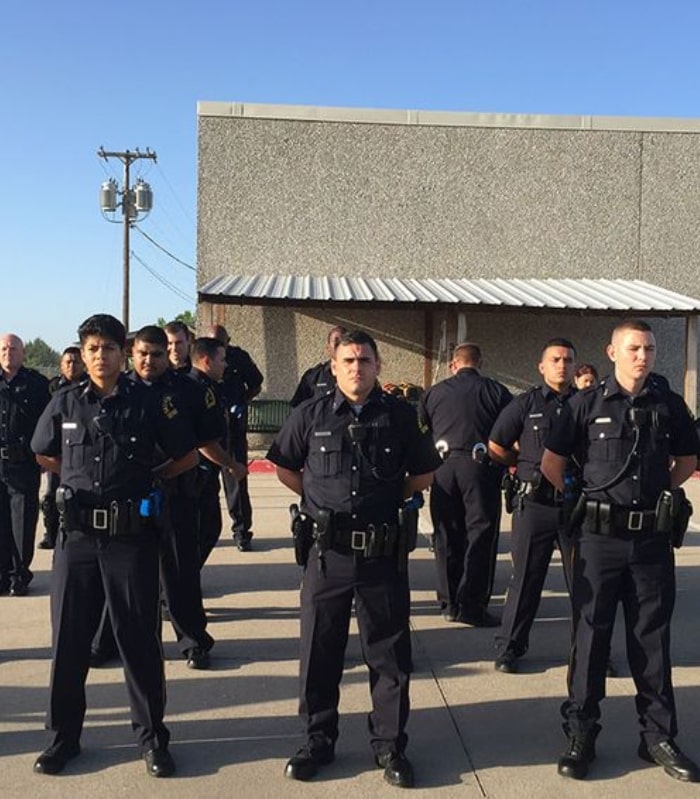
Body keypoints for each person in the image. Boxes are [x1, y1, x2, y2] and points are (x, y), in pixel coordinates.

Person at [267, 329, 441, 788]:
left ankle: (389, 746)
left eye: (364, 360)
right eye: (348, 361)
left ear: (378, 366)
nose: (356, 368)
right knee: (318, 652)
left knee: (388, 656)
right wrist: (315, 498)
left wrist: (388, 500)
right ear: (335, 366)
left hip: (381, 555)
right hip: (327, 556)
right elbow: (284, 463)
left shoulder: (402, 417)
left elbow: (423, 472)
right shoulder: (310, 414)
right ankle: (316, 741)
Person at [30, 314, 198, 778]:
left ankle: (152, 739)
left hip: (130, 540)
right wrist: (78, 481)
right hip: (78, 540)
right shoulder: (65, 403)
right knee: (69, 642)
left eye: (108, 348)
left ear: (122, 353)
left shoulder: (148, 403)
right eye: (92, 349)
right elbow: (41, 450)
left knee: (139, 640)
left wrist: (151, 479)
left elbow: (184, 455)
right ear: (82, 356)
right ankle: (63, 738)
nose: (100, 356)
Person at [541, 319, 700, 782]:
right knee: (591, 640)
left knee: (651, 639)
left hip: (650, 540)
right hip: (598, 540)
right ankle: (581, 734)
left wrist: (657, 496)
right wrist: (583, 496)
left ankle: (657, 737)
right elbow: (552, 462)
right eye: (633, 348)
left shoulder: (669, 404)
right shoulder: (584, 403)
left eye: (649, 349)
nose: (642, 356)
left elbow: (688, 460)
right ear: (613, 352)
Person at [488, 338, 577, 673]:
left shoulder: (587, 404)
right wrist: (524, 465)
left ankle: (588, 650)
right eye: (555, 359)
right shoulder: (525, 404)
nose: (562, 365)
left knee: (585, 583)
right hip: (534, 504)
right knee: (524, 579)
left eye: (568, 360)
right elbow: (495, 445)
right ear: (542, 366)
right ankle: (509, 647)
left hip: (574, 506)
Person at [419, 343, 512, 626]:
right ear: (479, 362)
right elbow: (509, 429)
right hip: (480, 465)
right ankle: (472, 604)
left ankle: (448, 602)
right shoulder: (496, 391)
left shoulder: (434, 392)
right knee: (480, 535)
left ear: (453, 364)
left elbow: (423, 427)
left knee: (446, 533)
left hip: (443, 467)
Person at [188, 336, 247, 565]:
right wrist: (232, 465)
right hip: (197, 475)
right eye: (221, 359)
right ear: (206, 361)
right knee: (206, 528)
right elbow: (204, 443)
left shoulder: (207, 386)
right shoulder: (198, 390)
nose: (226, 364)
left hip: (206, 474)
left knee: (209, 528)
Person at [0, 333, 50, 595]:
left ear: (23, 353)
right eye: (4, 348)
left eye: (14, 348)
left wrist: (44, 455)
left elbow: (48, 423)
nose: (9, 352)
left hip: (23, 465)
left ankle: (19, 573)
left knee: (22, 522)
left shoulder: (37, 384)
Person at [38, 347, 86, 550]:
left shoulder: (88, 386)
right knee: (51, 496)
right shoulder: (53, 387)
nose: (71, 366)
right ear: (61, 364)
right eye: (67, 362)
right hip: (56, 452)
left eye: (75, 362)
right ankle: (51, 533)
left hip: (78, 450)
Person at [289, 325, 347, 407]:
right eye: (336, 341)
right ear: (328, 348)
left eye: (343, 341)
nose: (340, 345)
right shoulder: (313, 376)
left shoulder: (358, 375)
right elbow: (298, 408)